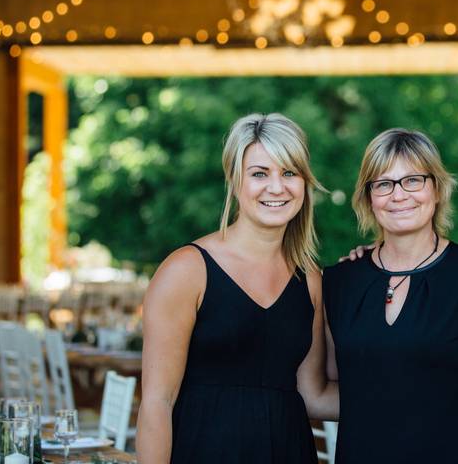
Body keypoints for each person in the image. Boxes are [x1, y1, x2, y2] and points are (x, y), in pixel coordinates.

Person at [137, 113, 336, 464]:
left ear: (304, 182)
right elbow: (157, 403)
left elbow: (314, 395)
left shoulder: (311, 282)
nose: (277, 187)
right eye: (260, 174)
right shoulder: (187, 269)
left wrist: (417, 394)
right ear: (234, 179)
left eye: (289, 173)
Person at [323, 128, 458, 464]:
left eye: (413, 180)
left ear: (437, 189)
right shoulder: (338, 283)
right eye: (383, 184)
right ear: (368, 197)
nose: (398, 195)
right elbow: (329, 390)